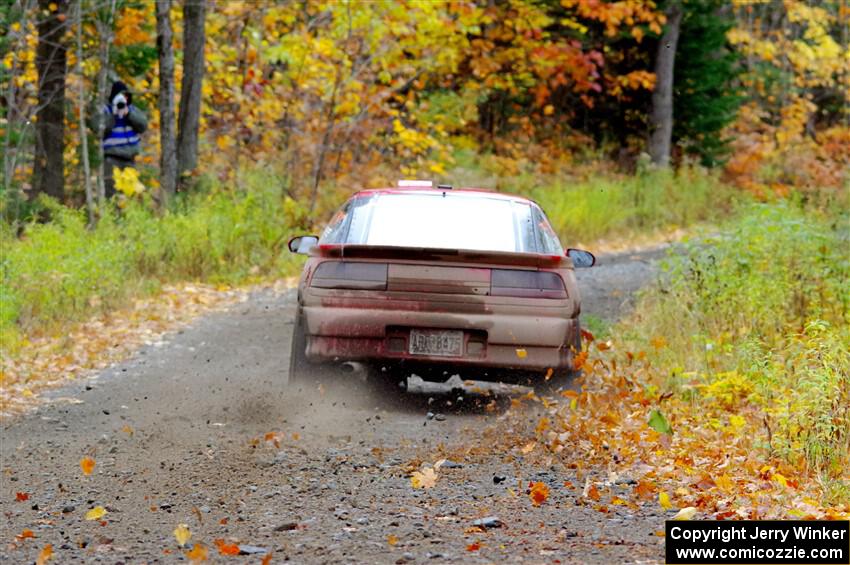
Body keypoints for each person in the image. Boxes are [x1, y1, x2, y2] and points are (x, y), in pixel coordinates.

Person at [91, 80, 148, 199]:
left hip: (130, 160)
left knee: (130, 194)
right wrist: (114, 114)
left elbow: (143, 125)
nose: (123, 99)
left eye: (126, 96)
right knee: (112, 195)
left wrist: (128, 114)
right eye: (120, 96)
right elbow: (98, 128)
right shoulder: (105, 111)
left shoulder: (132, 110)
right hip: (112, 160)